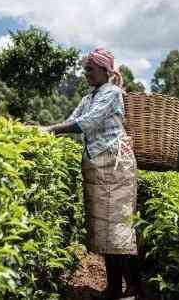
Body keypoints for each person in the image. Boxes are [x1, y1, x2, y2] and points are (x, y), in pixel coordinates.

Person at [40, 48, 140, 300]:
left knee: (117, 226)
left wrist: (50, 129)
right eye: (85, 69)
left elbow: (89, 122)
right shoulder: (89, 97)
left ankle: (126, 289)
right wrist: (46, 129)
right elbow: (74, 118)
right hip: (99, 165)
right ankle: (122, 288)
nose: (85, 73)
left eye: (90, 69)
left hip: (115, 165)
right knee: (106, 228)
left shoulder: (112, 93)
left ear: (106, 71)